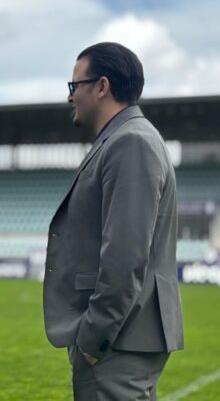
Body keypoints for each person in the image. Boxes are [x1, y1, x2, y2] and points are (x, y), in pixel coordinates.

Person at [43, 42, 184, 400]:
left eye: (75, 86)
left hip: (118, 339)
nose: (70, 97)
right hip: (127, 336)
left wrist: (93, 338)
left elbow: (125, 256)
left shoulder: (130, 142)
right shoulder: (124, 139)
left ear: (102, 86)